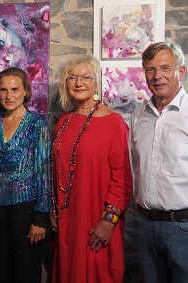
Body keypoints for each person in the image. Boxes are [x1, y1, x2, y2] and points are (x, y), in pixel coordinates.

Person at [130, 41, 188, 283]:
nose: (157, 76)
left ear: (180, 72)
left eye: (165, 68)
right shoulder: (139, 114)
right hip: (146, 226)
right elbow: (134, 170)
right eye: (150, 69)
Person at [50, 54, 133, 283]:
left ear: (97, 83)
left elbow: (123, 177)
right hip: (68, 216)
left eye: (86, 77)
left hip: (97, 217)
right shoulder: (63, 121)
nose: (79, 83)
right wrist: (55, 207)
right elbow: (58, 169)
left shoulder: (114, 123)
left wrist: (109, 220)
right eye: (72, 77)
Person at [0, 67, 51, 283]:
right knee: (1, 271)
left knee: (26, 271)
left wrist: (40, 219)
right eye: (4, 90)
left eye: (15, 89)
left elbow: (44, 174)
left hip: (25, 211)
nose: (9, 96)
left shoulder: (38, 125)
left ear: (26, 91)